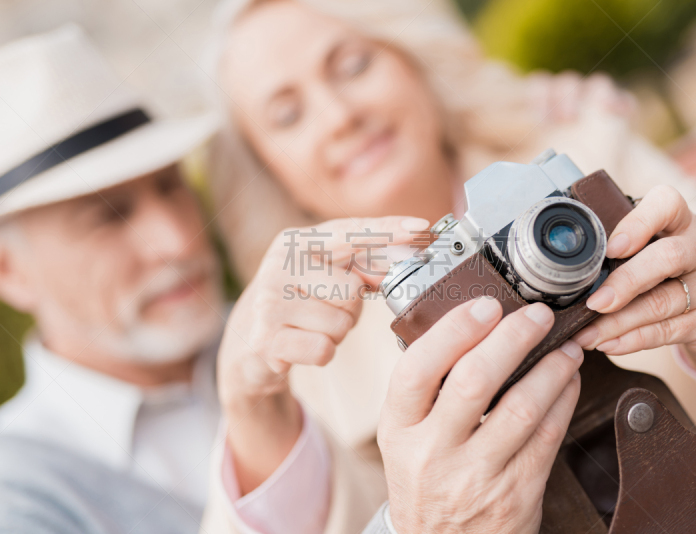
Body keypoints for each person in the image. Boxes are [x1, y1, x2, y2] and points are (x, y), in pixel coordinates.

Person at [205, 0, 696, 530]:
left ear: (416, 62)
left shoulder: (586, 149)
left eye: (354, 65)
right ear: (268, 170)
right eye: (287, 115)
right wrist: (251, 410)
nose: (339, 116)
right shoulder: (301, 361)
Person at [0, 25, 587, 534]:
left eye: (171, 185)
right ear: (10, 271)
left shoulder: (319, 337)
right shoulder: (19, 500)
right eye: (109, 217)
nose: (178, 239)